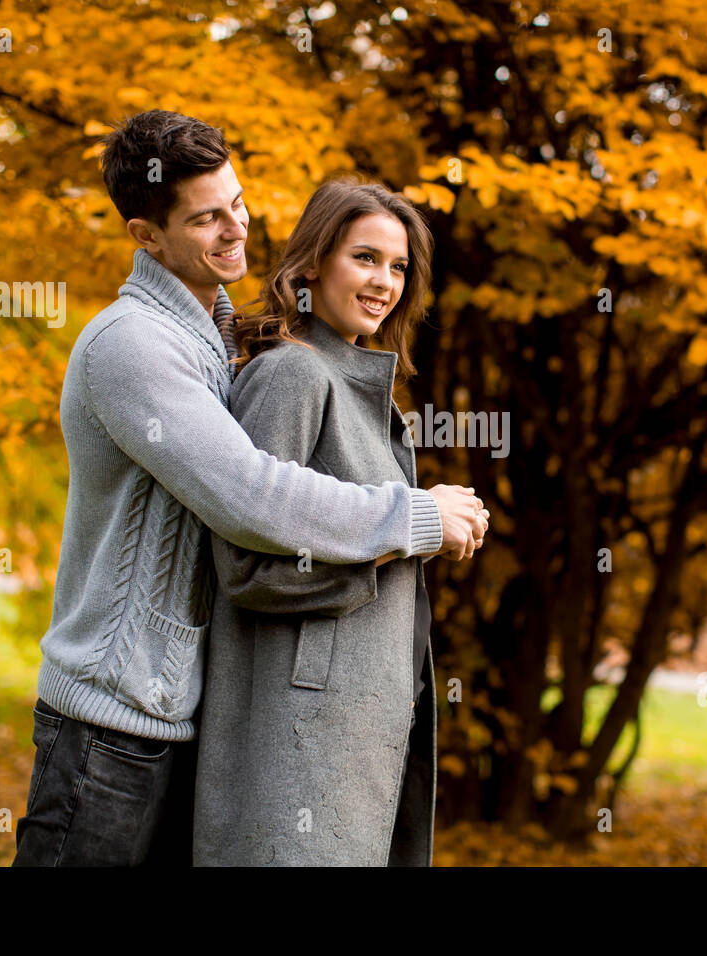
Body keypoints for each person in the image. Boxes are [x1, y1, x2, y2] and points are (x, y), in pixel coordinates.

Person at [12, 111, 489, 866]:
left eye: (237, 203)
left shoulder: (219, 343)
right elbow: (254, 496)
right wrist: (417, 517)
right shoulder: (135, 344)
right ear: (147, 235)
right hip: (110, 721)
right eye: (207, 217)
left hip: (180, 719)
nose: (236, 228)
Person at [194, 179, 456, 866]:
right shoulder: (293, 377)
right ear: (313, 264)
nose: (385, 282)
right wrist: (407, 536)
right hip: (295, 746)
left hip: (349, 737)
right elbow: (247, 571)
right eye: (365, 258)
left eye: (399, 267)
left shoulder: (363, 389)